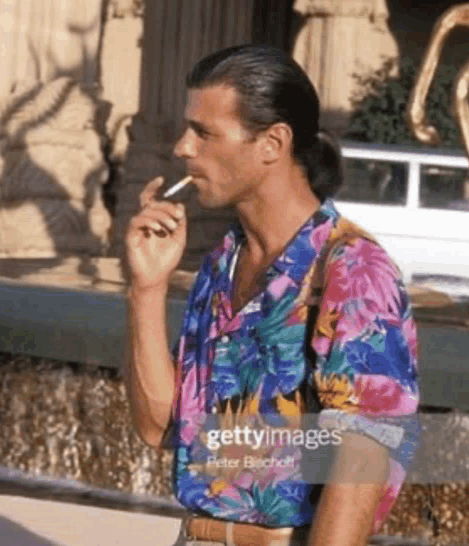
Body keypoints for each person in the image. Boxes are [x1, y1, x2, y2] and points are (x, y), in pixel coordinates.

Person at [123, 44, 419, 546]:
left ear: (272, 143)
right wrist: (145, 289)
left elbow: (360, 466)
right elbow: (159, 428)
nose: (182, 147)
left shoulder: (353, 272)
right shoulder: (223, 262)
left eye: (204, 132)